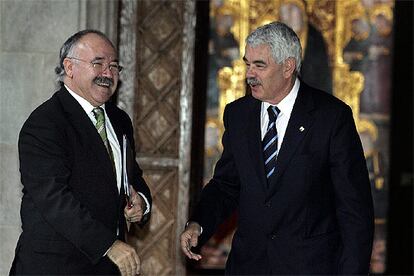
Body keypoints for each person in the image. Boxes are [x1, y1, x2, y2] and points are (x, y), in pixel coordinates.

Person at [180, 22, 374, 274]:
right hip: (249, 266)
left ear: (288, 67)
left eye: (259, 65)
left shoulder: (331, 117)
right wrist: (198, 223)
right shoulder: (239, 115)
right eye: (247, 63)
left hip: (309, 267)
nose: (250, 74)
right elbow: (226, 185)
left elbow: (354, 210)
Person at [10, 30, 151, 276]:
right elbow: (54, 199)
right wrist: (108, 245)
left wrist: (142, 202)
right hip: (55, 266)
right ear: (69, 67)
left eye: (114, 66)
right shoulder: (45, 123)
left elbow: (132, 176)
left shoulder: (119, 120)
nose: (108, 73)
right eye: (98, 63)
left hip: (105, 268)